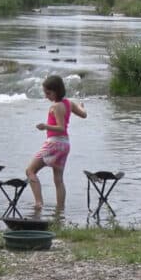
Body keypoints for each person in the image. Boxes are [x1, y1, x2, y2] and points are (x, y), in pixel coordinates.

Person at [26, 75, 86, 209]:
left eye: (48, 93)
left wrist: (45, 126)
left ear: (57, 91)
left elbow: (60, 127)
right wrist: (82, 106)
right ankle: (60, 210)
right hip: (65, 144)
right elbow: (84, 114)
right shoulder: (68, 103)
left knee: (30, 171)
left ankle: (38, 203)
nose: (46, 96)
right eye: (45, 93)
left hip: (54, 143)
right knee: (58, 180)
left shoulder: (56, 106)